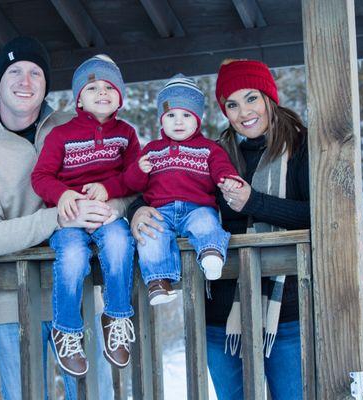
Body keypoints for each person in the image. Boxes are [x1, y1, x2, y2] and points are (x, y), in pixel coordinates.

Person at [0, 37, 124, 400]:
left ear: (47, 84)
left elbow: (128, 179)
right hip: (12, 299)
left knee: (96, 395)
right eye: (14, 72)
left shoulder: (77, 124)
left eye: (35, 73)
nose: (25, 82)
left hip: (79, 291)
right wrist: (62, 218)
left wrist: (114, 208)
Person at [129, 60, 310, 400]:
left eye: (251, 98)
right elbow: (163, 191)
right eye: (232, 104)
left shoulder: (300, 149)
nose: (244, 112)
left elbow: (317, 217)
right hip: (222, 313)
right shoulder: (213, 153)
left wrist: (254, 202)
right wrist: (137, 211)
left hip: (285, 311)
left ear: (270, 97)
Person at [31, 54, 139, 377]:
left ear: (120, 94)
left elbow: (137, 177)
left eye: (109, 87)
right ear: (79, 97)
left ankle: (117, 317)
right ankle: (67, 329)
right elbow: (40, 177)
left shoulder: (127, 134)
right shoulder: (61, 135)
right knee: (74, 256)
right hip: (70, 218)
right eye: (93, 88)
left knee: (121, 243)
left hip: (108, 215)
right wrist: (62, 194)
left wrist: (109, 188)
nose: (102, 93)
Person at [123, 74, 242, 305]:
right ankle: (158, 281)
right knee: (150, 236)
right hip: (160, 211)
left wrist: (228, 179)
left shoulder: (209, 149)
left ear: (197, 119)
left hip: (196, 207)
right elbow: (133, 186)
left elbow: (221, 168)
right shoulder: (152, 150)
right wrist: (139, 170)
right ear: (161, 119)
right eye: (171, 115)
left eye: (186, 115)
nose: (178, 122)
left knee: (205, 224)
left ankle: (211, 253)